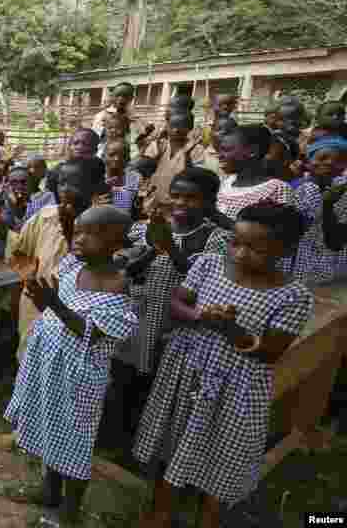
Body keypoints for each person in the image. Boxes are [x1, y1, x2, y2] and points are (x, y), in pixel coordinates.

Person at [134, 202, 313, 528]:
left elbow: (268, 353)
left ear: (285, 249)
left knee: (225, 452)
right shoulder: (208, 264)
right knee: (175, 439)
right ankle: (161, 511)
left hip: (237, 386)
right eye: (236, 242)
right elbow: (176, 303)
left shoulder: (293, 296)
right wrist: (200, 315)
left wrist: (230, 329)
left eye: (255, 249)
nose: (241, 254)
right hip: (188, 368)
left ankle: (210, 516)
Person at [4, 206, 138, 526]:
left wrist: (55, 305)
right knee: (51, 426)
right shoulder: (71, 266)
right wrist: (40, 298)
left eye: (90, 234)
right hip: (49, 362)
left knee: (74, 439)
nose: (79, 239)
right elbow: (51, 310)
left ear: (115, 242)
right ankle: (49, 490)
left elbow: (91, 334)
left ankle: (69, 510)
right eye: (77, 231)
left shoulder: (117, 284)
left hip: (80, 375)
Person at [107, 168, 228, 445]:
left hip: (174, 324)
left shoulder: (215, 239)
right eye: (176, 195)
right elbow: (124, 269)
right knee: (124, 378)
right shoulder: (147, 228)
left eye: (192, 198)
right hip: (137, 316)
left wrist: (170, 247)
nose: (181, 203)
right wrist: (153, 247)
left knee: (155, 385)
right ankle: (115, 438)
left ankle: (143, 444)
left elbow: (205, 281)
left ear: (210, 201)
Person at [8, 158, 107, 366]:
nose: (66, 190)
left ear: (93, 188)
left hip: (72, 318)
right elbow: (20, 251)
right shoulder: (44, 217)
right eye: (62, 183)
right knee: (28, 361)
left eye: (75, 184)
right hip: (34, 308)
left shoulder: (102, 226)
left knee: (59, 367)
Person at [294, 135, 347, 284]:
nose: (330, 163)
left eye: (339, 160)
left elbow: (336, 242)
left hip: (330, 269)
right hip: (296, 265)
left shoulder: (343, 194)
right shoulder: (295, 188)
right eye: (322, 158)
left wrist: (328, 205)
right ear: (309, 161)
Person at [216, 125, 295, 222]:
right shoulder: (223, 182)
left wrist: (217, 217)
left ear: (252, 151)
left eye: (227, 150)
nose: (220, 155)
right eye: (220, 150)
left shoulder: (276, 189)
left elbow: (278, 232)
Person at [141, 109, 206, 214]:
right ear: (167, 126)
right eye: (172, 125)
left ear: (190, 128)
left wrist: (187, 155)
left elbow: (196, 177)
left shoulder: (196, 149)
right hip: (153, 204)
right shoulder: (158, 145)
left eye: (181, 126)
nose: (176, 130)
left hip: (179, 206)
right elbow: (144, 170)